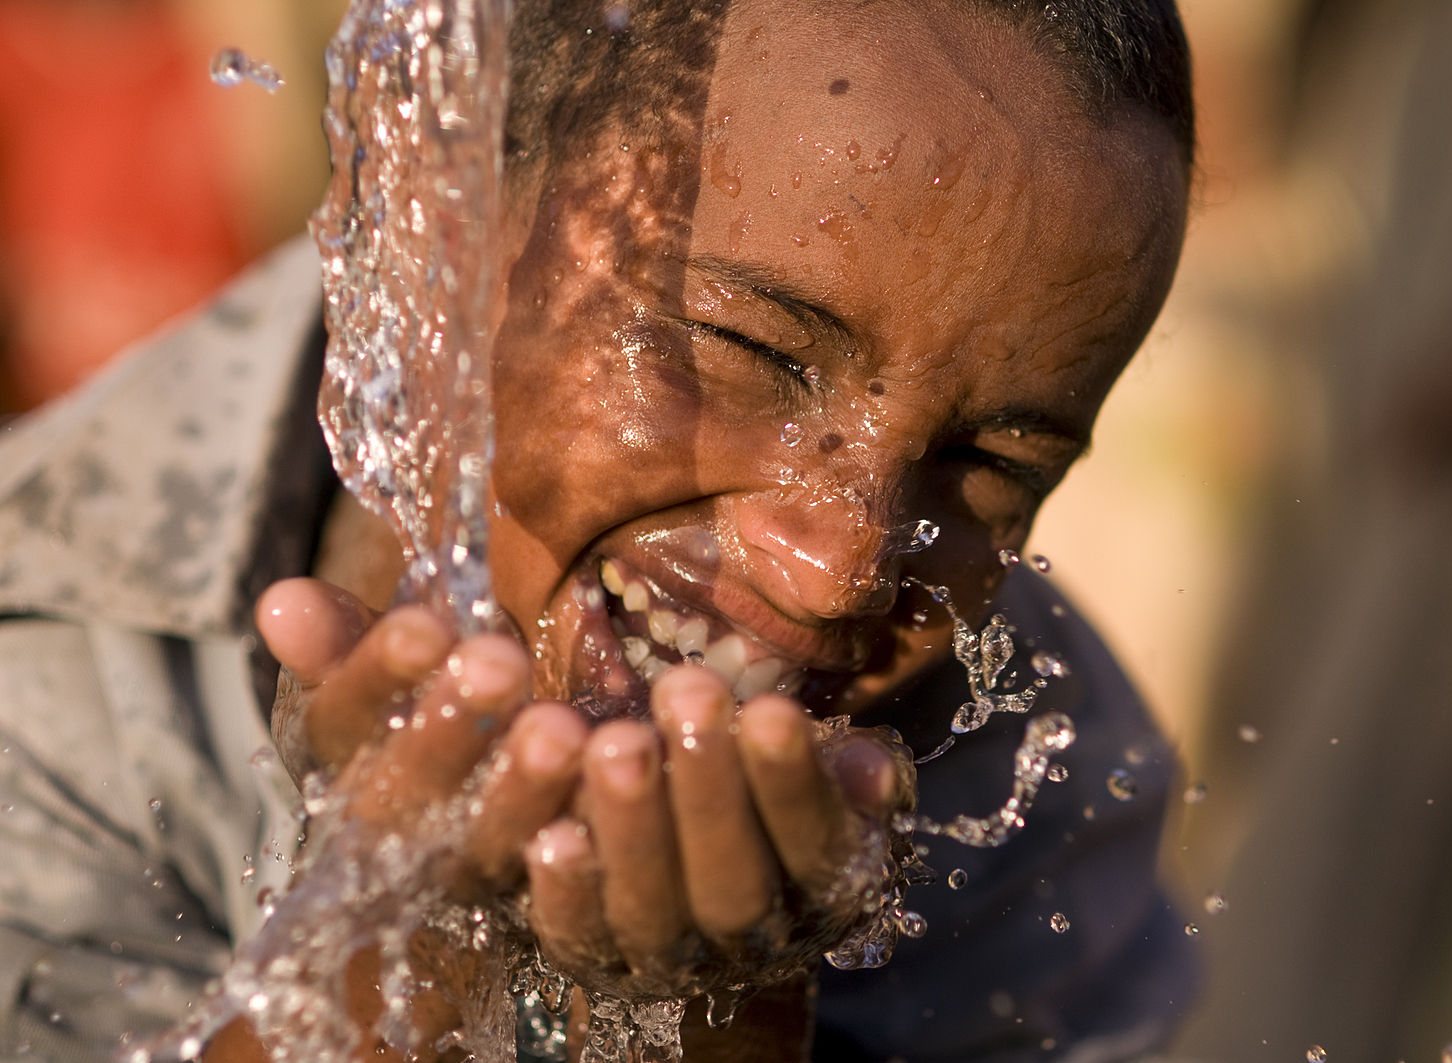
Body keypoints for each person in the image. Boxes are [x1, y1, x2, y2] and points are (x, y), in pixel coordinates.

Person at [0, 0, 1195, 1059]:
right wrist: (402, 939)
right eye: (755, 356)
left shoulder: (1045, 799)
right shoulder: (39, 664)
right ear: (424, 220)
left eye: (992, 463)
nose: (837, 570)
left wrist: (723, 1020)